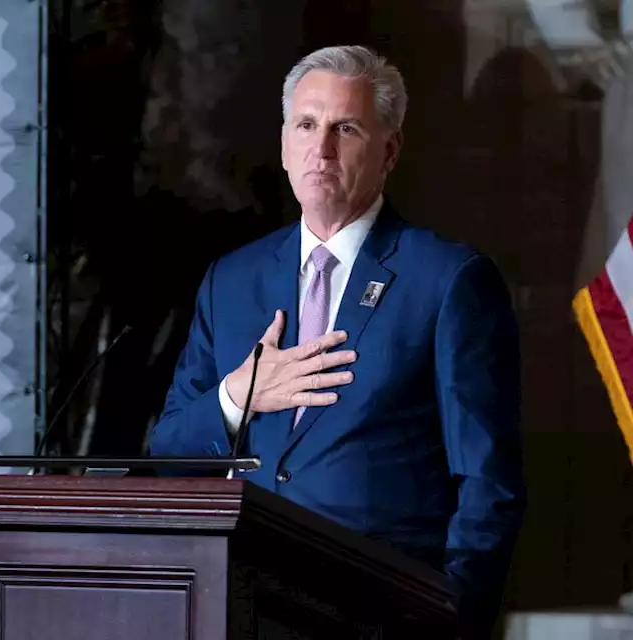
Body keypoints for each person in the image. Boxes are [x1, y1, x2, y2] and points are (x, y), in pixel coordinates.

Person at [148, 45, 526, 637]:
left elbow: (488, 486)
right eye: (305, 125)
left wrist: (454, 620)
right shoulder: (232, 280)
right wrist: (234, 397)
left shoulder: (449, 281)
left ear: (390, 151)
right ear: (282, 143)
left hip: (383, 615)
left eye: (345, 129)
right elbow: (166, 456)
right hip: (240, 607)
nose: (320, 150)